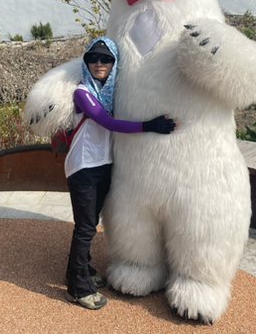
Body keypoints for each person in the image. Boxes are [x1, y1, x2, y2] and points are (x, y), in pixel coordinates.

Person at [64, 37, 176, 310]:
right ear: (86, 62)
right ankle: (78, 287)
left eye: (106, 59)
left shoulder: (109, 92)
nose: (99, 63)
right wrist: (149, 125)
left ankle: (81, 269)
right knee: (85, 227)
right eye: (93, 58)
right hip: (83, 167)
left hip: (103, 165)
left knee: (90, 224)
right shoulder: (83, 93)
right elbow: (107, 122)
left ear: (114, 63)